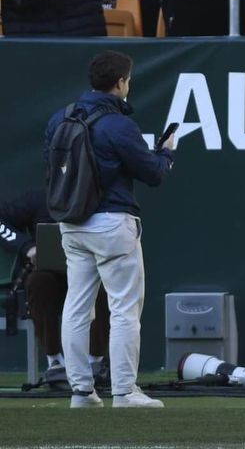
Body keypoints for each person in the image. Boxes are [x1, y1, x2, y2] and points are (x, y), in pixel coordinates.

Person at [44, 50, 175, 409]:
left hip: (71, 224)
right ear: (120, 83)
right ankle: (124, 392)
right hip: (112, 222)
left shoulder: (60, 118)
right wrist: (166, 153)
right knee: (123, 310)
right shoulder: (119, 125)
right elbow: (153, 173)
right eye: (128, 80)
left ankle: (81, 393)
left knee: (76, 307)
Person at [0, 188, 111, 389]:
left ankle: (94, 362)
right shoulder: (38, 197)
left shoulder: (98, 198)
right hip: (50, 273)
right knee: (37, 282)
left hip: (89, 272)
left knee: (103, 285)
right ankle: (55, 362)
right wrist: (27, 247)